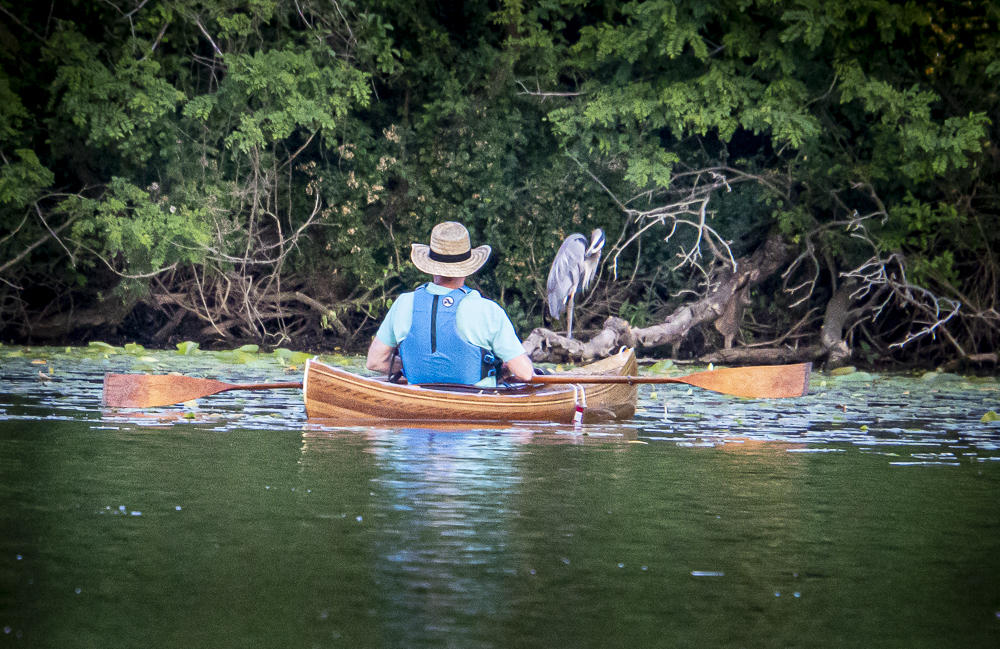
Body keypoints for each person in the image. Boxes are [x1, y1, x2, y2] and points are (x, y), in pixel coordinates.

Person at [366, 221, 534, 386]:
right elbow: (525, 373)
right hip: (476, 400)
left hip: (419, 398)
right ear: (468, 267)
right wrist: (501, 369)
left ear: (430, 265)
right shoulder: (488, 310)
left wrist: (409, 365)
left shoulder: (402, 303)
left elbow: (375, 362)